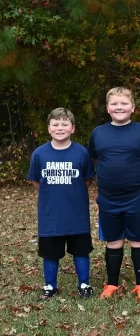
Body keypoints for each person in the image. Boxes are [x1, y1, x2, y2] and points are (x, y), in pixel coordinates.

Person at [88, 87, 140, 301]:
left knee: (138, 240)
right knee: (113, 241)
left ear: (133, 107)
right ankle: (111, 284)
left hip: (137, 196)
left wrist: (132, 174)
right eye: (115, 104)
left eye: (124, 103)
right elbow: (96, 159)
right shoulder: (98, 133)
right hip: (108, 197)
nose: (119, 107)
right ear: (108, 108)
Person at [28, 108, 95, 300]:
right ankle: (50, 285)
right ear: (48, 128)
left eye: (64, 124)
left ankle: (84, 284)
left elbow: (87, 179)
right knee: (50, 253)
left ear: (72, 128)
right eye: (55, 124)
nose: (60, 128)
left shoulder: (81, 152)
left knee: (81, 251)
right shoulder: (40, 153)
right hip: (50, 214)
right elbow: (36, 181)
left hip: (77, 213)